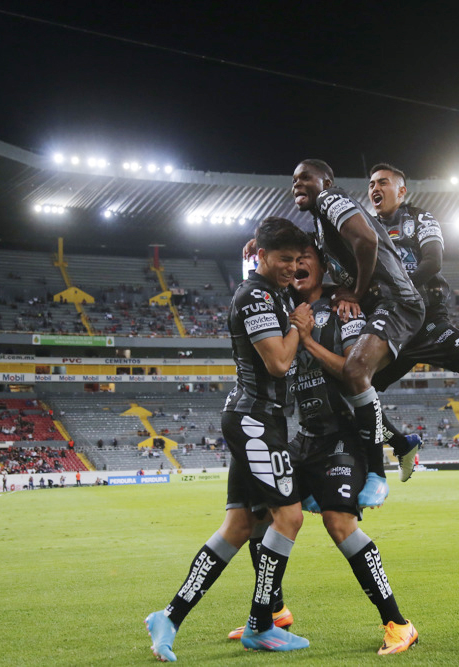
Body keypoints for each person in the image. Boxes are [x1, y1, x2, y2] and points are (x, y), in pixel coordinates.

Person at [229, 243, 420, 654]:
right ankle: (272, 613)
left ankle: (398, 623)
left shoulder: (345, 314)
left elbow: (356, 372)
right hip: (305, 437)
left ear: (321, 265)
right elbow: (262, 278)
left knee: (340, 525)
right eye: (291, 261)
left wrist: (307, 338)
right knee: (259, 517)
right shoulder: (284, 311)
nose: (296, 267)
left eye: (305, 260)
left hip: (343, 437)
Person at [145, 218, 314, 660]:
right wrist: (299, 328)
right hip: (256, 420)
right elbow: (278, 363)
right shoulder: (257, 295)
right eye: (283, 259)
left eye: (296, 260)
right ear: (262, 255)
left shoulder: (267, 288)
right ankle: (261, 624)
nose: (292, 268)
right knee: (289, 518)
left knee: (240, 526)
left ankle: (171, 615)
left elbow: (267, 277)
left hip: (259, 420)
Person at [288, 159, 426, 505]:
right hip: (380, 304)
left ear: (327, 181)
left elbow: (366, 241)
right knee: (342, 378)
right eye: (294, 180)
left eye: (306, 177)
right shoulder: (322, 225)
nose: (297, 184)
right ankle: (399, 443)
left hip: (397, 303)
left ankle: (377, 475)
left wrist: (356, 293)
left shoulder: (330, 200)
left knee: (352, 370)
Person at [367, 164, 459, 445]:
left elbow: (433, 261)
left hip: (430, 321)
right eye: (371, 185)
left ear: (401, 191)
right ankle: (400, 444)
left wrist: (399, 288)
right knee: (356, 389)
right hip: (394, 326)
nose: (375, 189)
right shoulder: (365, 227)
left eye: (383, 182)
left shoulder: (420, 218)